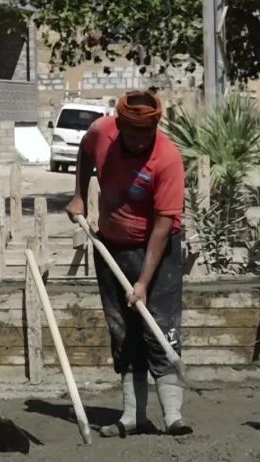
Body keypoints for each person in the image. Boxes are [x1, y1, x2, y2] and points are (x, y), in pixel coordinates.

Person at [64, 90, 191, 437]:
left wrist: (144, 283)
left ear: (155, 128)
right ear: (119, 125)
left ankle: (173, 416)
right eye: (131, 133)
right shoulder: (101, 132)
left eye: (144, 134)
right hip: (112, 246)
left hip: (157, 252)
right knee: (123, 330)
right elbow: (85, 153)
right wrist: (79, 194)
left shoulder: (167, 159)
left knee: (161, 328)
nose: (137, 141)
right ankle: (133, 416)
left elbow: (164, 226)